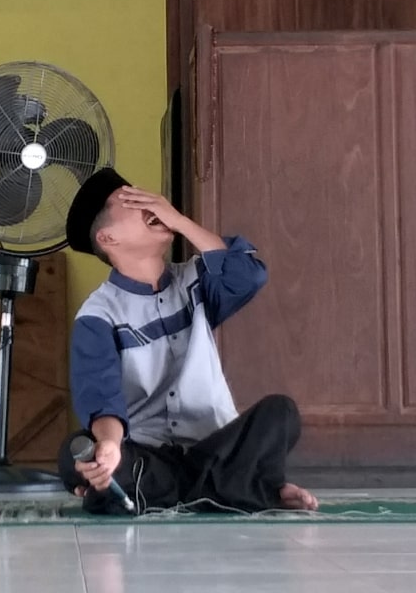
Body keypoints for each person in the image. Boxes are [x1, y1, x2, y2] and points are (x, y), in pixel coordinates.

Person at [57, 167, 318, 515]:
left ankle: (165, 494)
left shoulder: (196, 280)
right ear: (108, 238)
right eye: (131, 201)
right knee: (77, 453)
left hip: (214, 448)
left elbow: (248, 274)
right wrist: (108, 448)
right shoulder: (98, 315)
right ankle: (245, 490)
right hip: (149, 455)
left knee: (280, 412)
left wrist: (180, 221)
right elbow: (101, 397)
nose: (151, 203)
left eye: (147, 197)